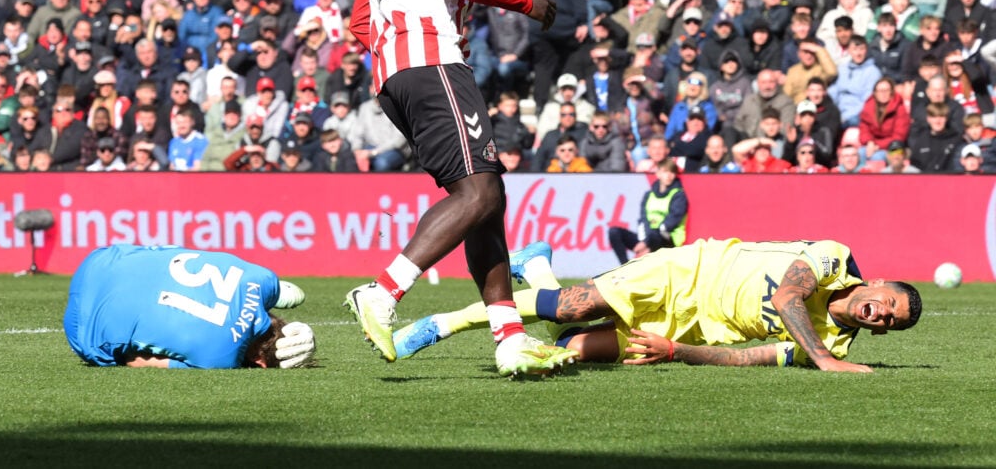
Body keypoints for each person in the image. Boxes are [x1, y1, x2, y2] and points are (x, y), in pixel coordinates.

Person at [346, 0, 576, 376]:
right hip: (433, 62)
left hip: (394, 74)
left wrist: (398, 51)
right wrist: (528, 3)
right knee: (480, 193)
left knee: (484, 201)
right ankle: (382, 292)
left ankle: (510, 338)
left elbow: (360, 19)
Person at [393, 239, 921, 372]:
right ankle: (441, 324)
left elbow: (749, 357)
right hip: (686, 272)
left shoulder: (831, 344)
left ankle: (534, 268)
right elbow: (788, 297)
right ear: (877, 283)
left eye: (890, 321)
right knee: (571, 308)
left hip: (690, 327)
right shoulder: (833, 257)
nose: (882, 313)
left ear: (880, 332)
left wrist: (676, 351)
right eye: (889, 301)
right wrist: (824, 361)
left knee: (570, 348)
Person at [64, 245, 315, 369]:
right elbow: (139, 361)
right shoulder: (219, 360)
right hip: (82, 329)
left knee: (174, 253)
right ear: (260, 362)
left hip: (103, 258)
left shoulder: (263, 278)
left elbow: (284, 293)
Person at [608, 159, 687, 264]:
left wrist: (646, 243)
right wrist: (644, 240)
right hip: (648, 238)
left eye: (672, 172)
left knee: (655, 234)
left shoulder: (679, 195)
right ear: (658, 173)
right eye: (665, 171)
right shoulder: (649, 195)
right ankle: (625, 266)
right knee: (614, 232)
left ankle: (644, 256)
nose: (668, 176)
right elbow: (643, 218)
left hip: (668, 239)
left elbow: (671, 222)